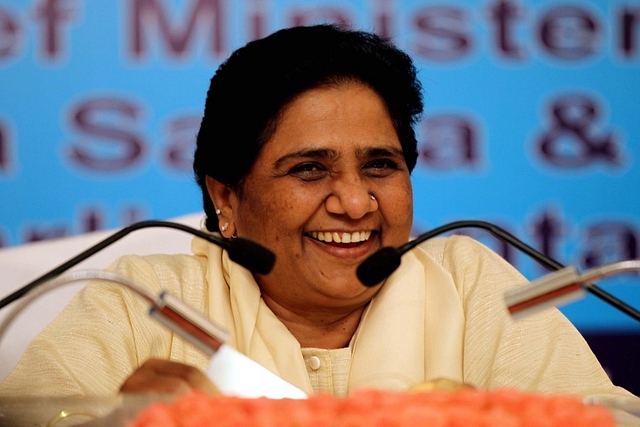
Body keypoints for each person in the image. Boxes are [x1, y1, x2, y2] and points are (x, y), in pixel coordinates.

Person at [0, 24, 633, 401]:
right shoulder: (144, 303)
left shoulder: (470, 287)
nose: (356, 203)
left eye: (380, 166)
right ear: (226, 198)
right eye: (310, 170)